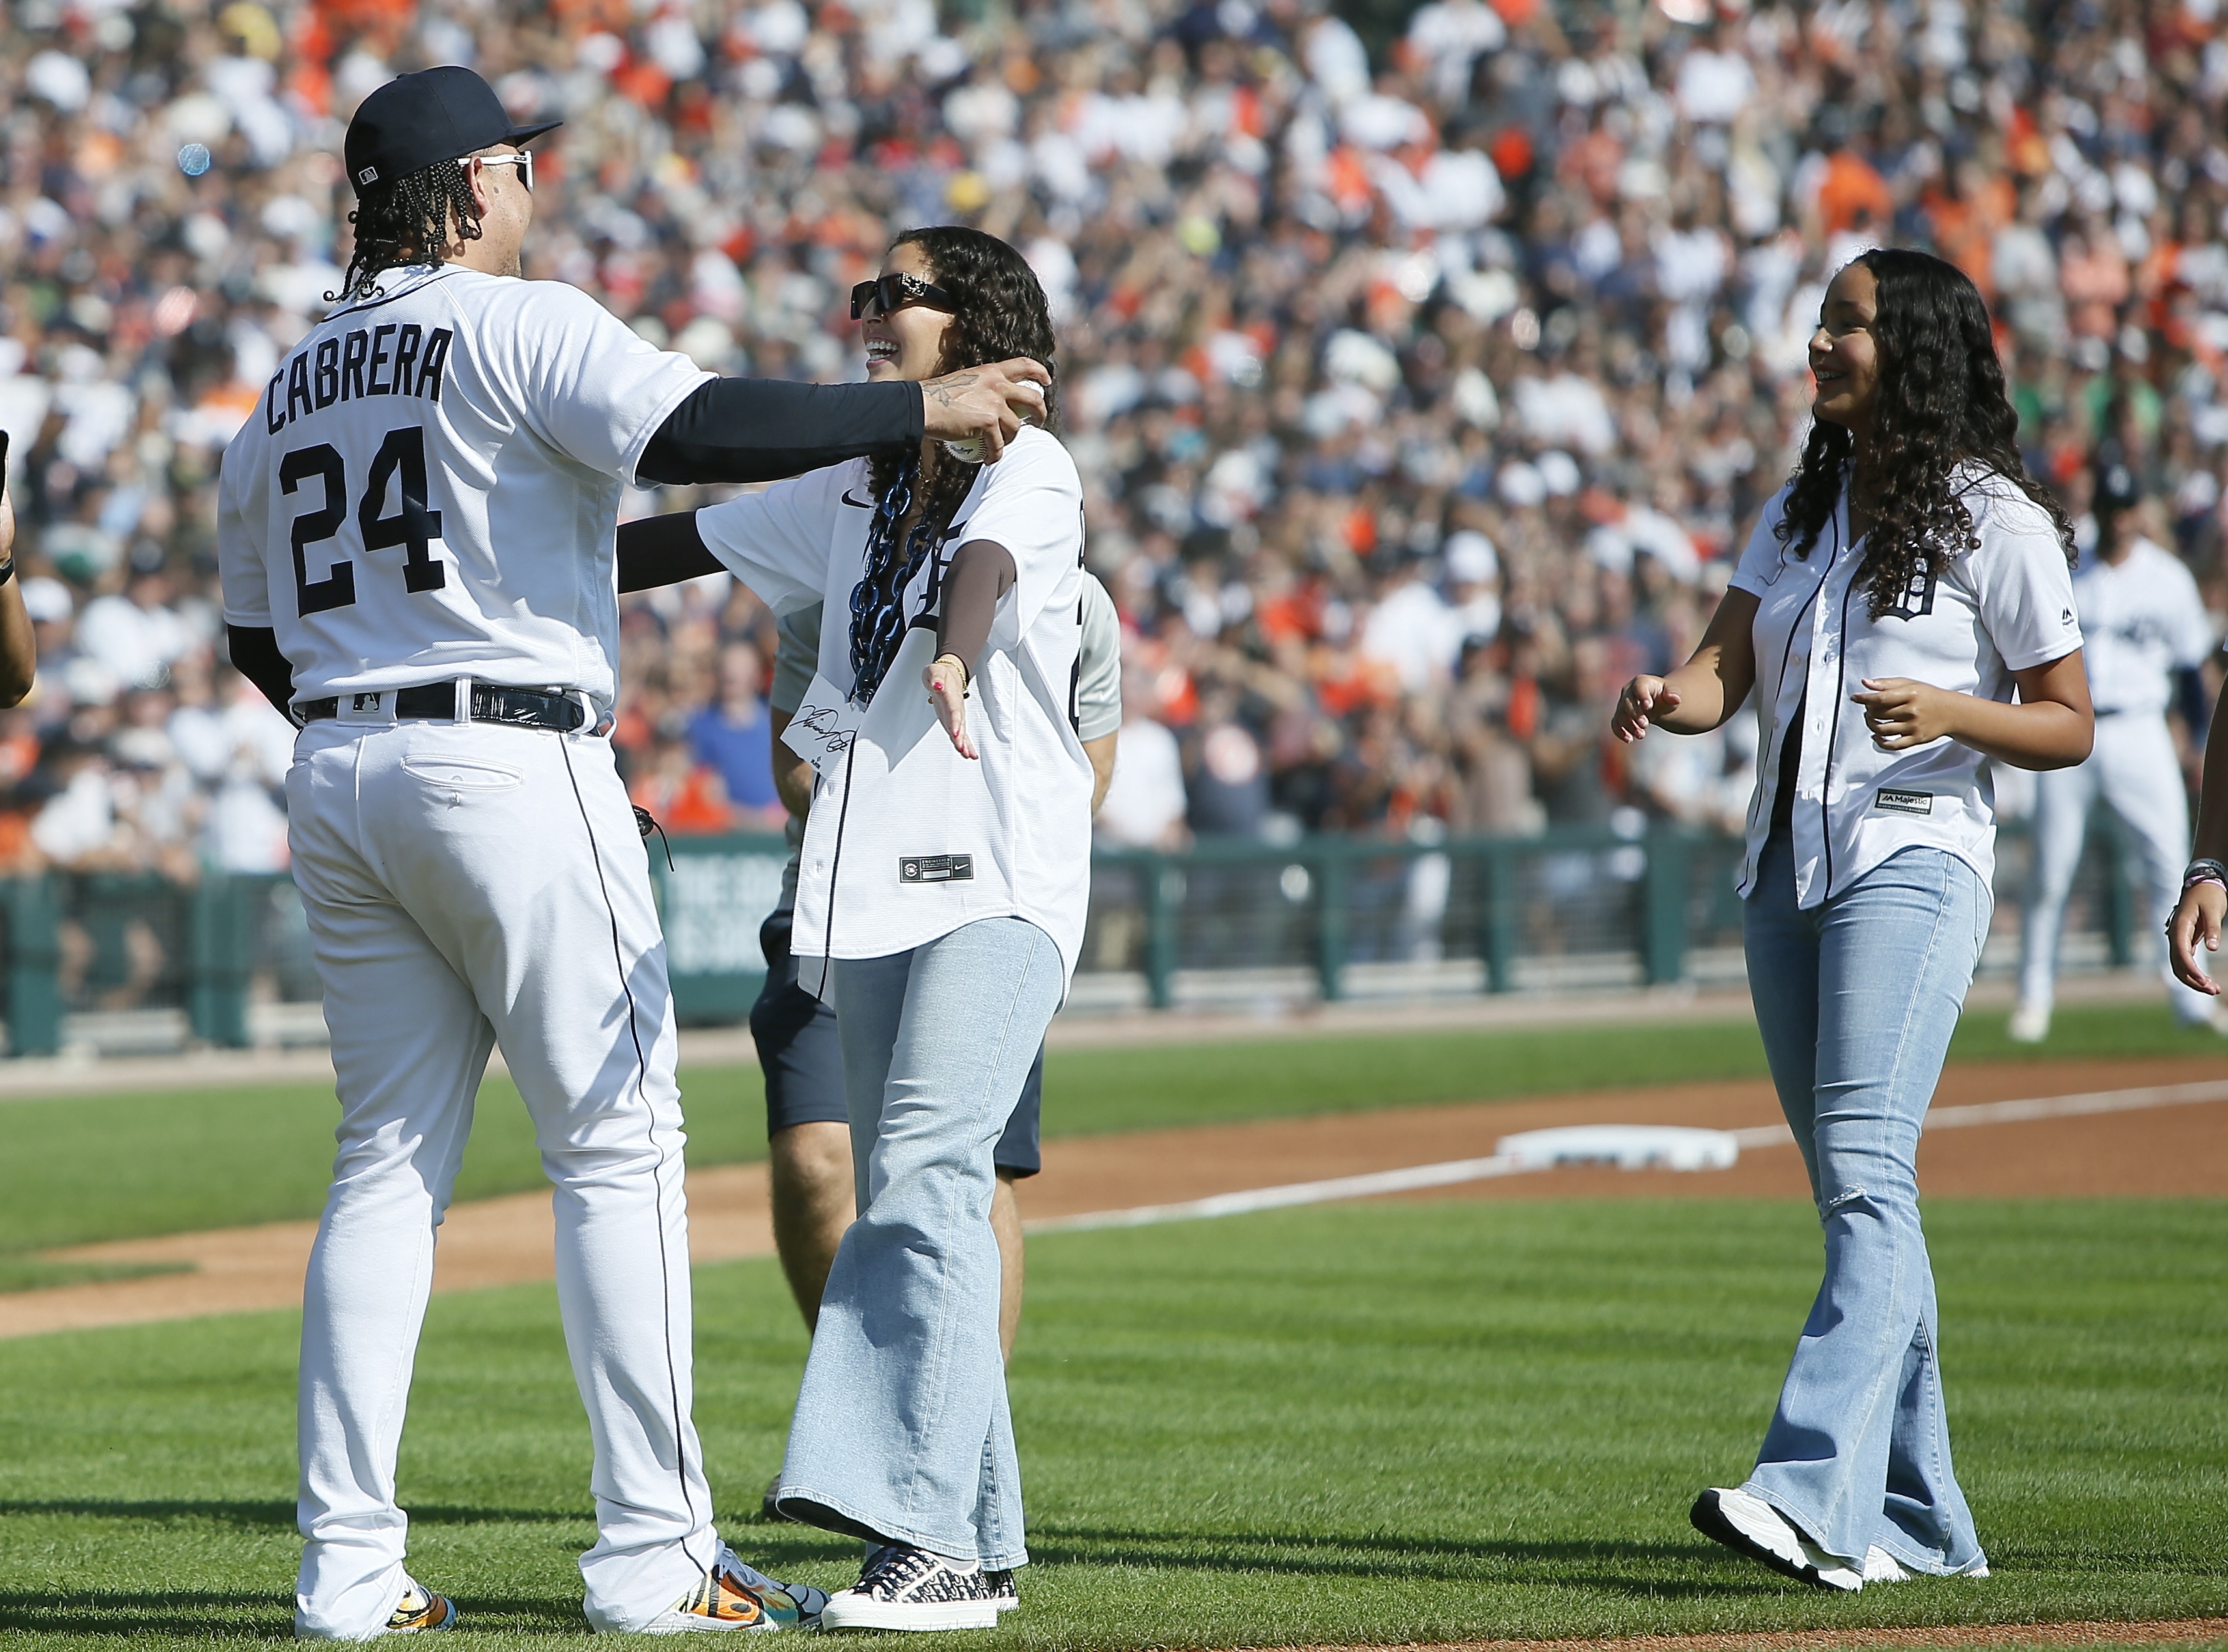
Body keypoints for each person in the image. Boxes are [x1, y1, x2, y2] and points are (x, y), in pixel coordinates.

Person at [214, 65, 1047, 1640]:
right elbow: (698, 426)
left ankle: (344, 1569)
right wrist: (912, 403)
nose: (533, 189)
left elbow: (260, 634)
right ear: (468, 188)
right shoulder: (515, 319)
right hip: (502, 749)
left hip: (339, 761)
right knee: (619, 1148)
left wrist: (376, 739)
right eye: (517, 165)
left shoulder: (281, 383)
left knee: (385, 1169)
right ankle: (656, 1552)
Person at [615, 225, 1091, 1630]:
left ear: (982, 324)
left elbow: (985, 568)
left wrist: (950, 647)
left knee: (928, 1178)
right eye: (865, 295)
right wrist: (509, 564)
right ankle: (984, 1541)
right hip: (870, 886)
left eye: (902, 295)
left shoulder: (1032, 465)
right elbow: (673, 541)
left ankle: (920, 1537)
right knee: (925, 1185)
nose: (871, 314)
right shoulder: (847, 486)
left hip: (998, 879)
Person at [1612, 249, 2091, 1592]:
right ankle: (1925, 1518)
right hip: (1786, 868)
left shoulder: (1998, 521)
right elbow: (1721, 676)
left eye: (1848, 323)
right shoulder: (1797, 507)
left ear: (1921, 348)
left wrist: (1951, 713)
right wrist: (1667, 692)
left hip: (1916, 855)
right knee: (1857, 1190)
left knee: (1869, 1168)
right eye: (1818, 320)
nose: (1817, 341)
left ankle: (1810, 1487)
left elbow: (2067, 720)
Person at [2012, 455, 2218, 1040]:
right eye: (2110, 509)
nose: (2119, 519)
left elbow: (2188, 672)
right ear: (2100, 511)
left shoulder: (2167, 577)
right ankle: (2034, 1000)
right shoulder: (2071, 568)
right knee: (2050, 870)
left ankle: (2192, 998)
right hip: (2068, 728)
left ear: (2137, 511)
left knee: (2172, 862)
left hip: (2140, 727)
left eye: (2126, 508)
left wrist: (2197, 741)